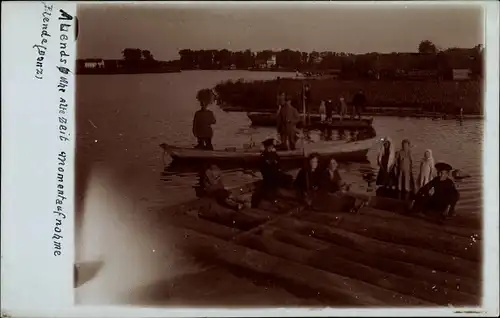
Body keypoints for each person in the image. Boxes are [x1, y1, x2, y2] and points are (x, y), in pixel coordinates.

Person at [251, 138, 293, 208]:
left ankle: (286, 195)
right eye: (269, 147)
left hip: (277, 174)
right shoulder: (263, 157)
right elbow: (266, 170)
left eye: (271, 147)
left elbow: (279, 164)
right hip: (269, 176)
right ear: (265, 147)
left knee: (289, 178)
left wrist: (280, 171)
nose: (270, 149)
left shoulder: (274, 155)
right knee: (273, 185)